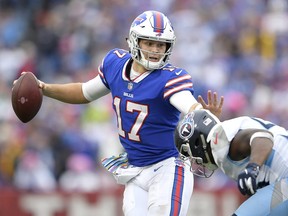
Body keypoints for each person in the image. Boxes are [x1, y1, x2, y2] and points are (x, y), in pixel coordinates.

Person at [16, 11, 223, 216]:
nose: (155, 50)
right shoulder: (115, 64)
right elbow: (84, 92)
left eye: (160, 45)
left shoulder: (170, 78)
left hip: (168, 167)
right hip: (134, 171)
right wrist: (44, 87)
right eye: (149, 43)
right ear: (134, 41)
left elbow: (188, 104)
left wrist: (202, 113)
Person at [175, 109, 288, 216]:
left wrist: (252, 168)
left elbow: (264, 138)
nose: (195, 161)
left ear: (199, 143)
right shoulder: (222, 138)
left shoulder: (223, 141)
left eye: (190, 153)